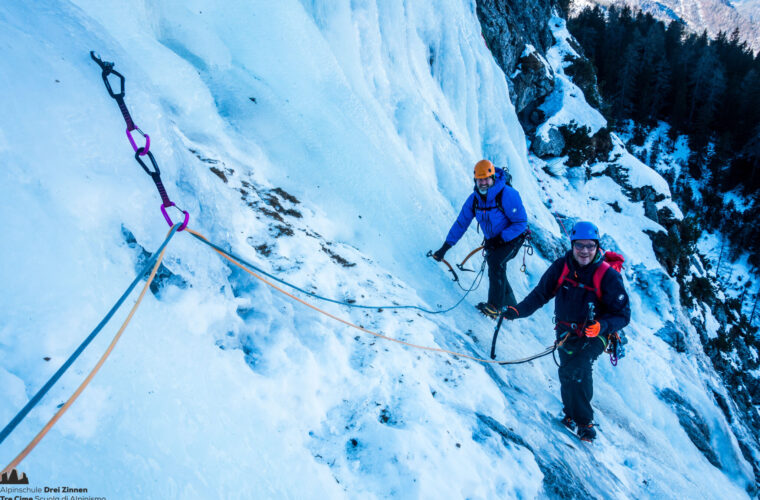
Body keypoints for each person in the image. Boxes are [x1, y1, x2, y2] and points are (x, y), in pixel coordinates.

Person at [501, 221, 630, 442]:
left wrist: (602, 326)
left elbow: (623, 315)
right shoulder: (562, 267)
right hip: (566, 332)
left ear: (597, 246)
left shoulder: (607, 276)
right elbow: (541, 294)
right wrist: (517, 310)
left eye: (590, 246)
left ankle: (585, 424)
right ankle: (570, 415)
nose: (584, 251)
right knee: (567, 371)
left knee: (579, 369)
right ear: (572, 245)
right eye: (580, 245)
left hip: (596, 333)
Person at [432, 159, 528, 318]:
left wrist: (500, 239)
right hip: (494, 240)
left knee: (496, 262)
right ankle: (511, 305)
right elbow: (461, 223)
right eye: (479, 179)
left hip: (513, 237)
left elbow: (521, 222)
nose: (483, 183)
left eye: (486, 179)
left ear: (493, 178)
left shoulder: (508, 194)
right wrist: (445, 247)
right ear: (475, 180)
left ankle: (494, 307)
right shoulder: (474, 200)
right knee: (498, 265)